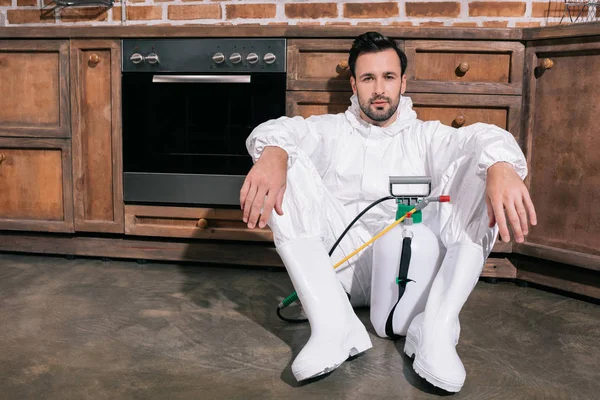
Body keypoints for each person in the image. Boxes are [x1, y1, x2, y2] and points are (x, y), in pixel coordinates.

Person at [240, 31, 536, 392]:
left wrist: (501, 165)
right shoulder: (331, 131)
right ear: (354, 83)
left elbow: (482, 137)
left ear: (403, 82)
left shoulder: (427, 136)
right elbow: (281, 131)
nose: (379, 88)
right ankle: (334, 325)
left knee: (482, 164)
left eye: (388, 77)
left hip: (411, 277)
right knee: (284, 157)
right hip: (339, 273)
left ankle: (436, 327)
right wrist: (274, 155)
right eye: (368, 78)